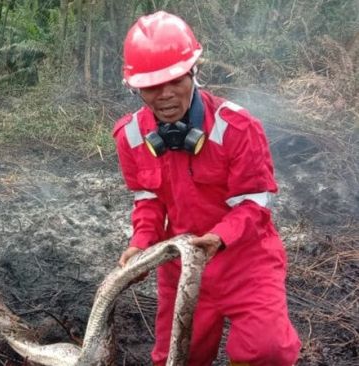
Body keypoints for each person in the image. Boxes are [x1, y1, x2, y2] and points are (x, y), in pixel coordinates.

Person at [113, 11, 301, 366]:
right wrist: (140, 244)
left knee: (267, 350)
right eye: (152, 86)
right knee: (178, 359)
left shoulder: (238, 127)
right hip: (183, 268)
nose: (166, 95)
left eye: (175, 80)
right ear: (135, 88)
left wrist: (217, 238)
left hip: (246, 262)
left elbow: (254, 205)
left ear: (193, 73)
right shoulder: (131, 136)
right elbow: (148, 200)